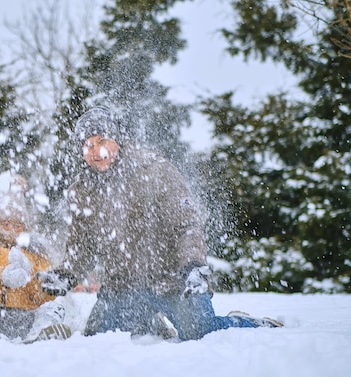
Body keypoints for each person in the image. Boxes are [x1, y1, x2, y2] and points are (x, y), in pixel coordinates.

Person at [44, 105, 282, 342]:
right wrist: (66, 274)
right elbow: (82, 247)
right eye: (88, 145)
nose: (97, 151)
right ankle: (147, 322)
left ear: (117, 139)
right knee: (99, 337)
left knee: (201, 332)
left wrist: (193, 265)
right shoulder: (81, 191)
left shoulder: (154, 170)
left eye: (102, 140)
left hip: (173, 282)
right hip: (124, 288)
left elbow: (186, 226)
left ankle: (245, 323)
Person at [0, 175, 72, 345]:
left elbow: (42, 295)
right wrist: (1, 277)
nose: (12, 229)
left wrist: (30, 277)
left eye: (18, 225)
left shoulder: (35, 251)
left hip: (25, 315)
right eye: (5, 223)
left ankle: (42, 332)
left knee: (57, 304)